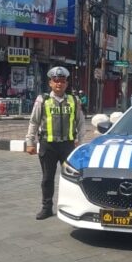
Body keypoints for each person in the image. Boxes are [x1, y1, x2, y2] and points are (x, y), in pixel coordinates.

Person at [25, 66, 85, 220]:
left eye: (62, 81)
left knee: (72, 178)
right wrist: (30, 142)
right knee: (47, 178)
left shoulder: (73, 100)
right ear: (50, 83)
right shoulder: (42, 100)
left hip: (68, 146)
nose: (59, 84)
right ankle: (46, 208)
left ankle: (73, 207)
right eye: (56, 81)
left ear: (66, 83)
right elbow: (34, 122)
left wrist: (81, 142)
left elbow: (81, 123)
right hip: (48, 145)